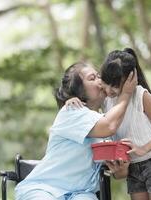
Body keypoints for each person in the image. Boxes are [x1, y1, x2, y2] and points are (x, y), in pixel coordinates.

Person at [15, 62, 137, 200]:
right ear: (79, 90)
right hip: (45, 188)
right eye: (92, 78)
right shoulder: (71, 111)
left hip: (82, 193)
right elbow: (109, 126)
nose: (100, 81)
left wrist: (121, 170)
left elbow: (117, 173)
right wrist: (126, 94)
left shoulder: (104, 120)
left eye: (99, 76)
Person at [67, 48, 151, 200]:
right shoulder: (106, 100)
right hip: (131, 166)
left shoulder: (141, 96)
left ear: (130, 79)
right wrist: (72, 99)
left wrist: (143, 149)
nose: (110, 90)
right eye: (106, 83)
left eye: (116, 86)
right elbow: (90, 113)